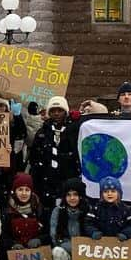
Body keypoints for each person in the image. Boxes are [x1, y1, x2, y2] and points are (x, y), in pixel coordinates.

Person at [28, 95, 79, 224]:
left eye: (60, 110)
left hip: (68, 180)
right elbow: (34, 156)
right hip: (46, 182)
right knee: (47, 214)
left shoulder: (74, 130)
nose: (56, 114)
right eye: (53, 111)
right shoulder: (42, 132)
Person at [49, 178, 88, 260]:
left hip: (85, 250)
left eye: (75, 194)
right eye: (68, 195)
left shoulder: (88, 210)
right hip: (66, 248)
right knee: (57, 251)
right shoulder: (58, 211)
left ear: (80, 196)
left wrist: (80, 248)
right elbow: (54, 235)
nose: (72, 198)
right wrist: (71, 246)